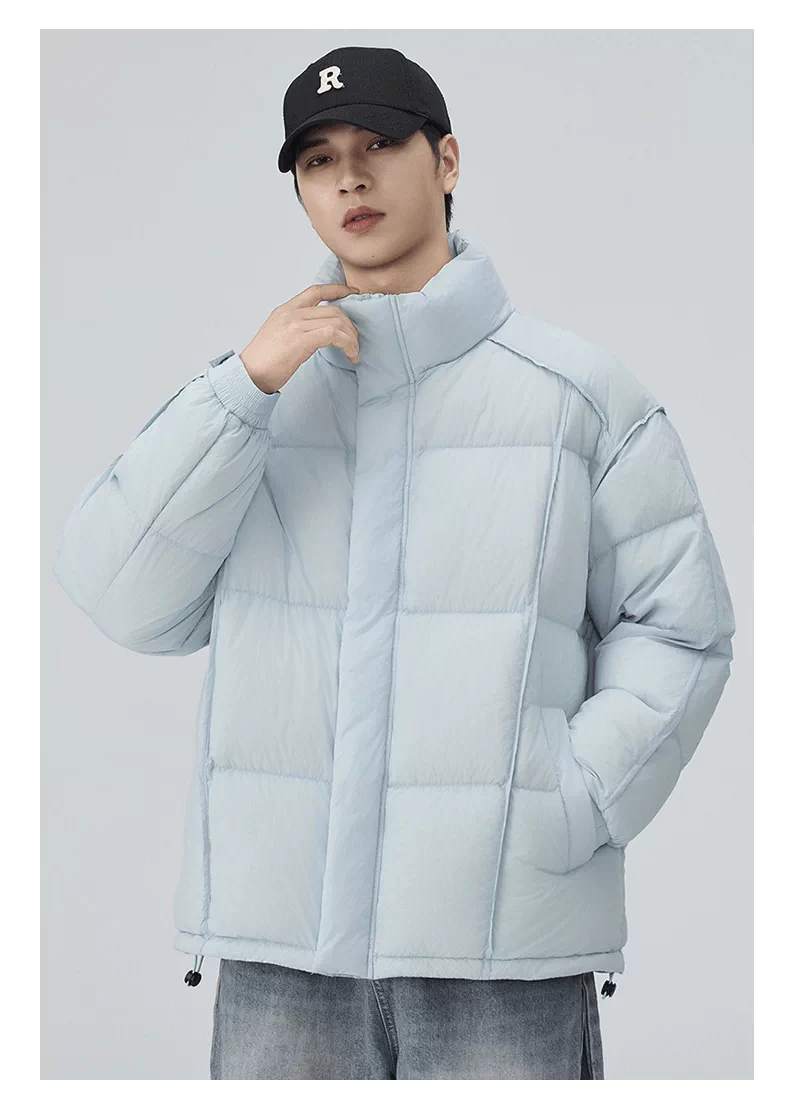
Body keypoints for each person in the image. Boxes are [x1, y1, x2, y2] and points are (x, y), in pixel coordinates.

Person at [52, 44, 736, 1080]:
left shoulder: (580, 398)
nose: (350, 178)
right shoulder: (257, 400)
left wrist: (568, 801)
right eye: (319, 160)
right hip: (281, 960)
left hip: (501, 952)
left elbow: (682, 627)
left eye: (378, 144)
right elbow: (120, 594)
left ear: (446, 159)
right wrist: (240, 389)